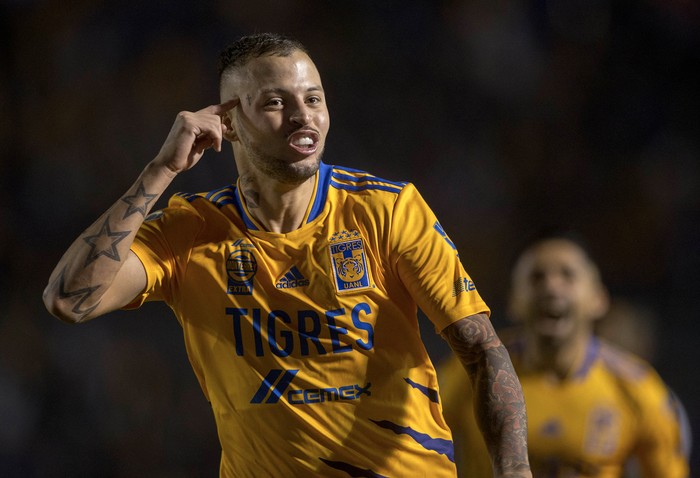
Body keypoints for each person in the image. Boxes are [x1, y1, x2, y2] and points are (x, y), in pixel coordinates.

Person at [42, 33, 532, 477]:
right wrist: (160, 170)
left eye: (313, 99)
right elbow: (70, 300)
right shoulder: (188, 230)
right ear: (228, 123)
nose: (303, 116)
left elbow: (483, 350)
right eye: (277, 102)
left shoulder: (386, 210)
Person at [438, 233, 690, 477]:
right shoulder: (470, 371)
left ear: (598, 298)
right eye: (537, 277)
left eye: (567, 275)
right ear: (514, 300)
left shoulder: (638, 390)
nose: (551, 286)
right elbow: (416, 441)